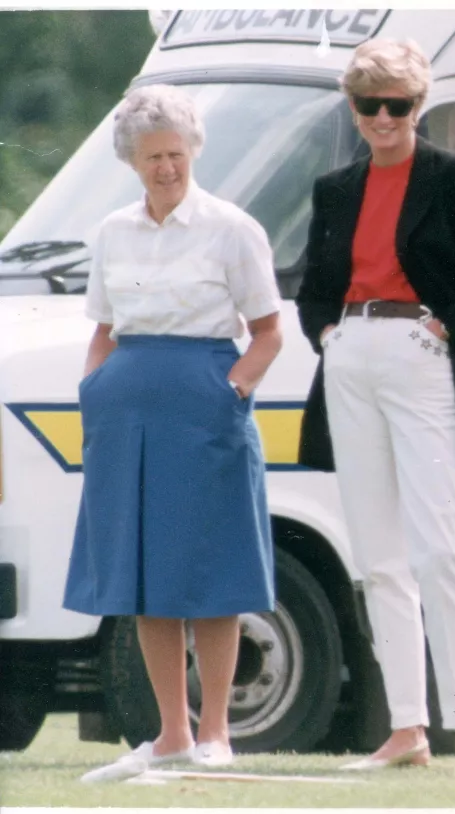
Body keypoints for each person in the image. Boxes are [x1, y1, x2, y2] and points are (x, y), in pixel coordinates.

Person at [295, 37, 455, 771]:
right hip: (351, 358)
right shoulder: (335, 187)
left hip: (424, 354)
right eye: (369, 104)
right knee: (376, 556)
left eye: (397, 104)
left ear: (419, 105)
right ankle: (406, 730)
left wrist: (443, 325)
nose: (383, 117)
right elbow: (312, 291)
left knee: (439, 549)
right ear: (354, 106)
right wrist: (329, 335)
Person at [64, 85, 284, 783]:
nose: (167, 167)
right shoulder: (112, 233)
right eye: (153, 156)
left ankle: (217, 733)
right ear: (132, 161)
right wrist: (93, 392)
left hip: (205, 404)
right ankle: (171, 735)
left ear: (193, 152)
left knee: (210, 573)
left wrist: (233, 392)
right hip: (125, 409)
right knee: (145, 576)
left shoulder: (232, 227)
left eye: (176, 153)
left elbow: (270, 332)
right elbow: (102, 328)